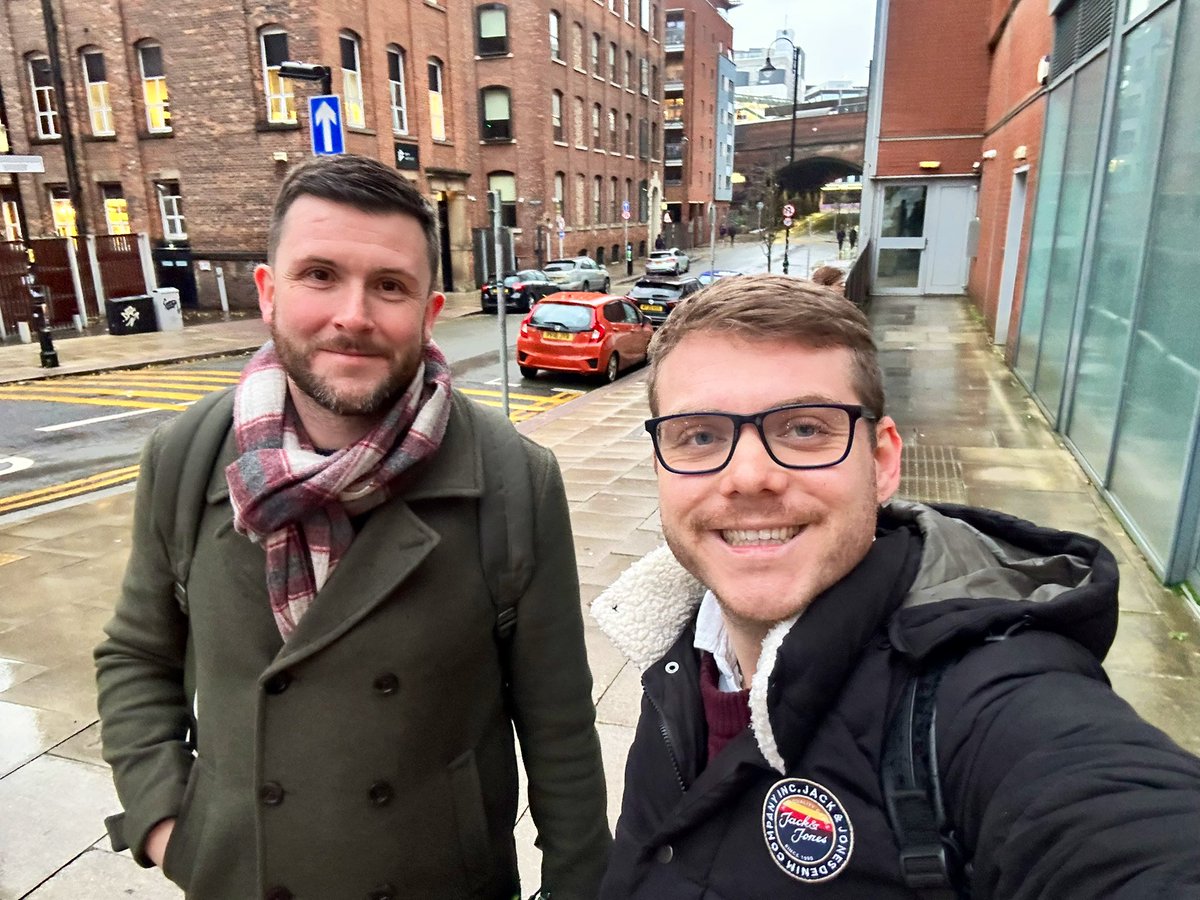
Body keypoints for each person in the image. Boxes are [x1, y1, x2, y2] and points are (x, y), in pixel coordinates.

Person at [95, 154, 610, 900]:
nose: (354, 316)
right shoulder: (187, 455)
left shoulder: (512, 478)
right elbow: (136, 655)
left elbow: (558, 723)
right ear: (269, 294)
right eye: (319, 275)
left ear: (430, 313)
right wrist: (167, 823)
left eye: (390, 286)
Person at [592, 274, 1200, 899]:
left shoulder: (988, 699)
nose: (749, 476)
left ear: (881, 462)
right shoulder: (678, 646)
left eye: (805, 429)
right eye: (700, 435)